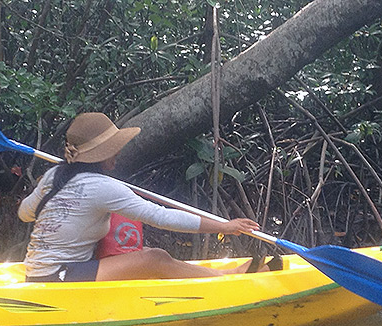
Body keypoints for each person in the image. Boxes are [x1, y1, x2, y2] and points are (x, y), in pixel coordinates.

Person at [18, 112, 265, 282]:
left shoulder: (53, 176)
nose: (118, 152)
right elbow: (161, 216)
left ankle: (223, 273)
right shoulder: (104, 187)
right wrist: (224, 226)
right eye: (113, 147)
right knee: (153, 257)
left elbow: (24, 213)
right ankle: (227, 278)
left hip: (42, 270)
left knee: (140, 251)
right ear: (99, 154)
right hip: (57, 276)